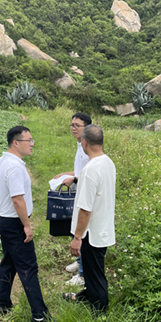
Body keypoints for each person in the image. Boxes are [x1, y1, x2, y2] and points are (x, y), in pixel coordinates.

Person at [0, 126, 51, 322]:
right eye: (29, 140)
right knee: (28, 268)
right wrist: (27, 225)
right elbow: (18, 200)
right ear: (16, 143)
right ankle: (40, 317)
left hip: (3, 219)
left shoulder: (3, 161)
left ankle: (2, 304)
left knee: (9, 263)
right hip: (14, 223)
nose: (32, 144)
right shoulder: (15, 167)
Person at [64, 124, 116, 312]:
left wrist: (77, 238)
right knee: (93, 270)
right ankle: (86, 297)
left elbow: (85, 209)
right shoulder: (108, 162)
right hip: (103, 227)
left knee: (95, 274)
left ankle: (99, 312)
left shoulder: (90, 170)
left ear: (84, 143)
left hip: (91, 233)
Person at [53, 112, 92, 286]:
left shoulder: (87, 149)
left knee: (81, 231)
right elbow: (80, 170)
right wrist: (66, 174)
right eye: (72, 125)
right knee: (75, 228)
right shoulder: (79, 145)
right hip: (77, 192)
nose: (73, 128)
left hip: (83, 194)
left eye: (77, 125)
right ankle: (79, 261)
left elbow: (89, 174)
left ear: (87, 128)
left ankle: (82, 274)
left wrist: (73, 179)